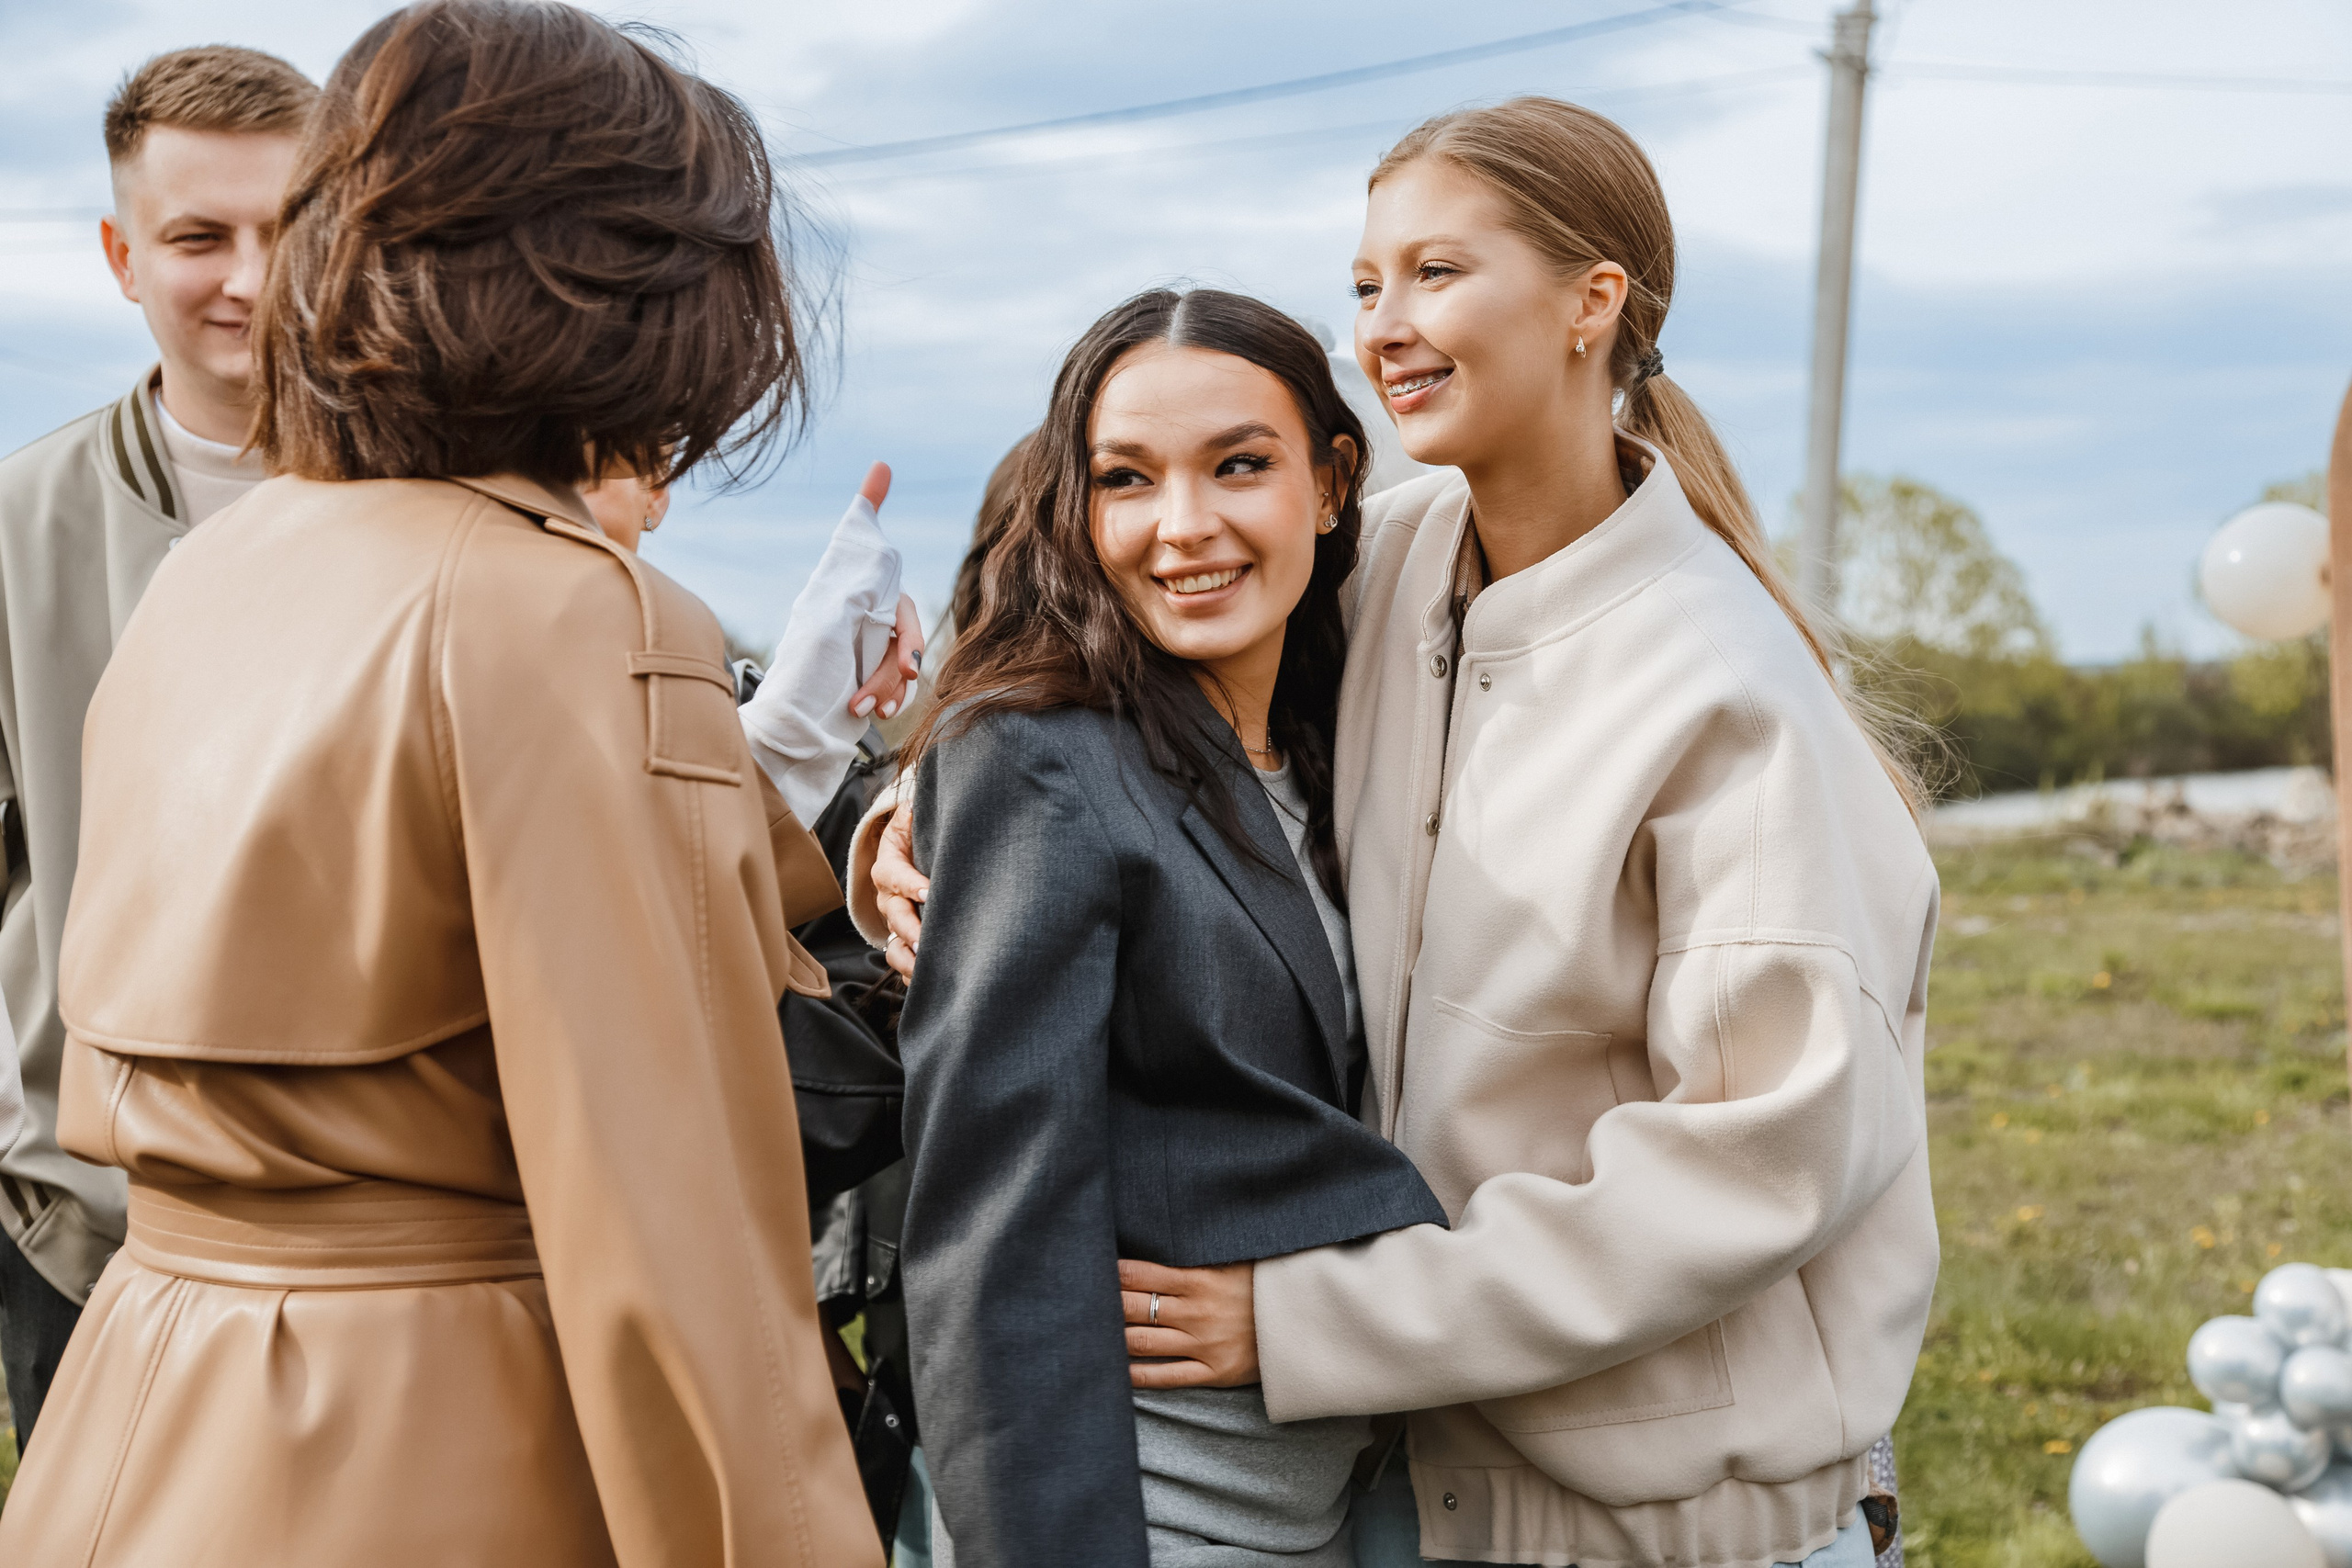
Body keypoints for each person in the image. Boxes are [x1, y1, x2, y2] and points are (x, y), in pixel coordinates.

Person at [864, 99, 1937, 1568]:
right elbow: (1139, 687)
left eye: (1437, 273)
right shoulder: (1400, 570)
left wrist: (1322, 1320)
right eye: (1367, 284)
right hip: (1419, 1491)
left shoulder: (1728, 700)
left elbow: (1759, 1165)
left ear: (1591, 303)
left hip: (1669, 1520)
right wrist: (914, 825)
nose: (1387, 324)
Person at [0, 4, 890, 1562]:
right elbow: (678, 1244)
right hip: (440, 1443)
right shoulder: (571, 608)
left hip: (136, 1417)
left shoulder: (221, 569)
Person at [886, 288, 1447, 1566]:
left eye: (1239, 466)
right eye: (1125, 480)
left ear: (1332, 480)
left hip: (1349, 1506)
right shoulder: (1037, 758)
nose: (1180, 528)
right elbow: (995, 1231)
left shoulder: (1338, 740)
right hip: (1159, 1517)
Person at [0, 44, 315, 1457]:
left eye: (289, 229)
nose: (249, 278)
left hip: (372, 1247)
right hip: (88, 1223)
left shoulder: (452, 506)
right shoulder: (19, 522)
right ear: (127, 255)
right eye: (200, 237)